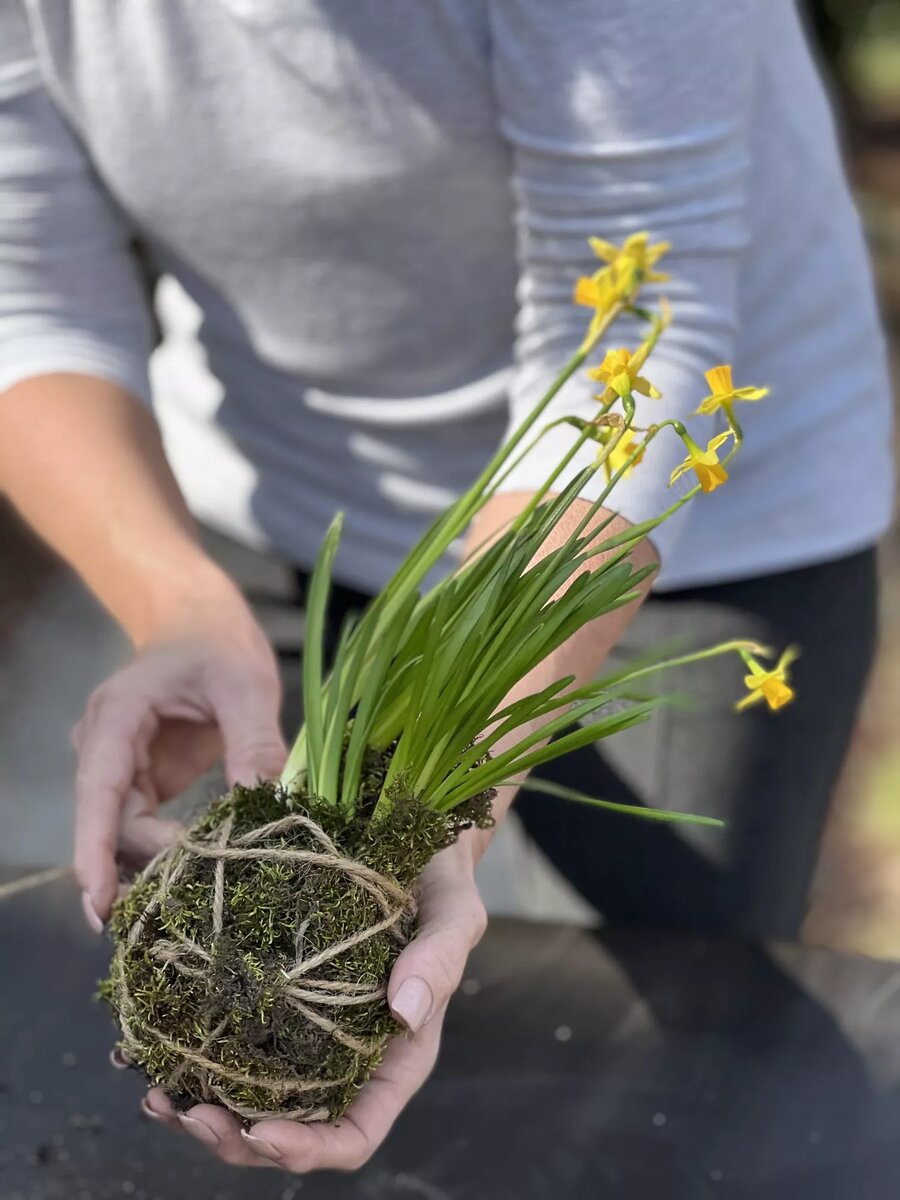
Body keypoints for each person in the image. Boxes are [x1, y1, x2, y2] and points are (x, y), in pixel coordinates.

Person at [0, 0, 893, 1174]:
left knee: (666, 1041)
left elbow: (638, 322)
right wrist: (174, 602)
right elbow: (30, 295)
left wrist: (446, 816)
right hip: (290, 488)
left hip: (665, 522)